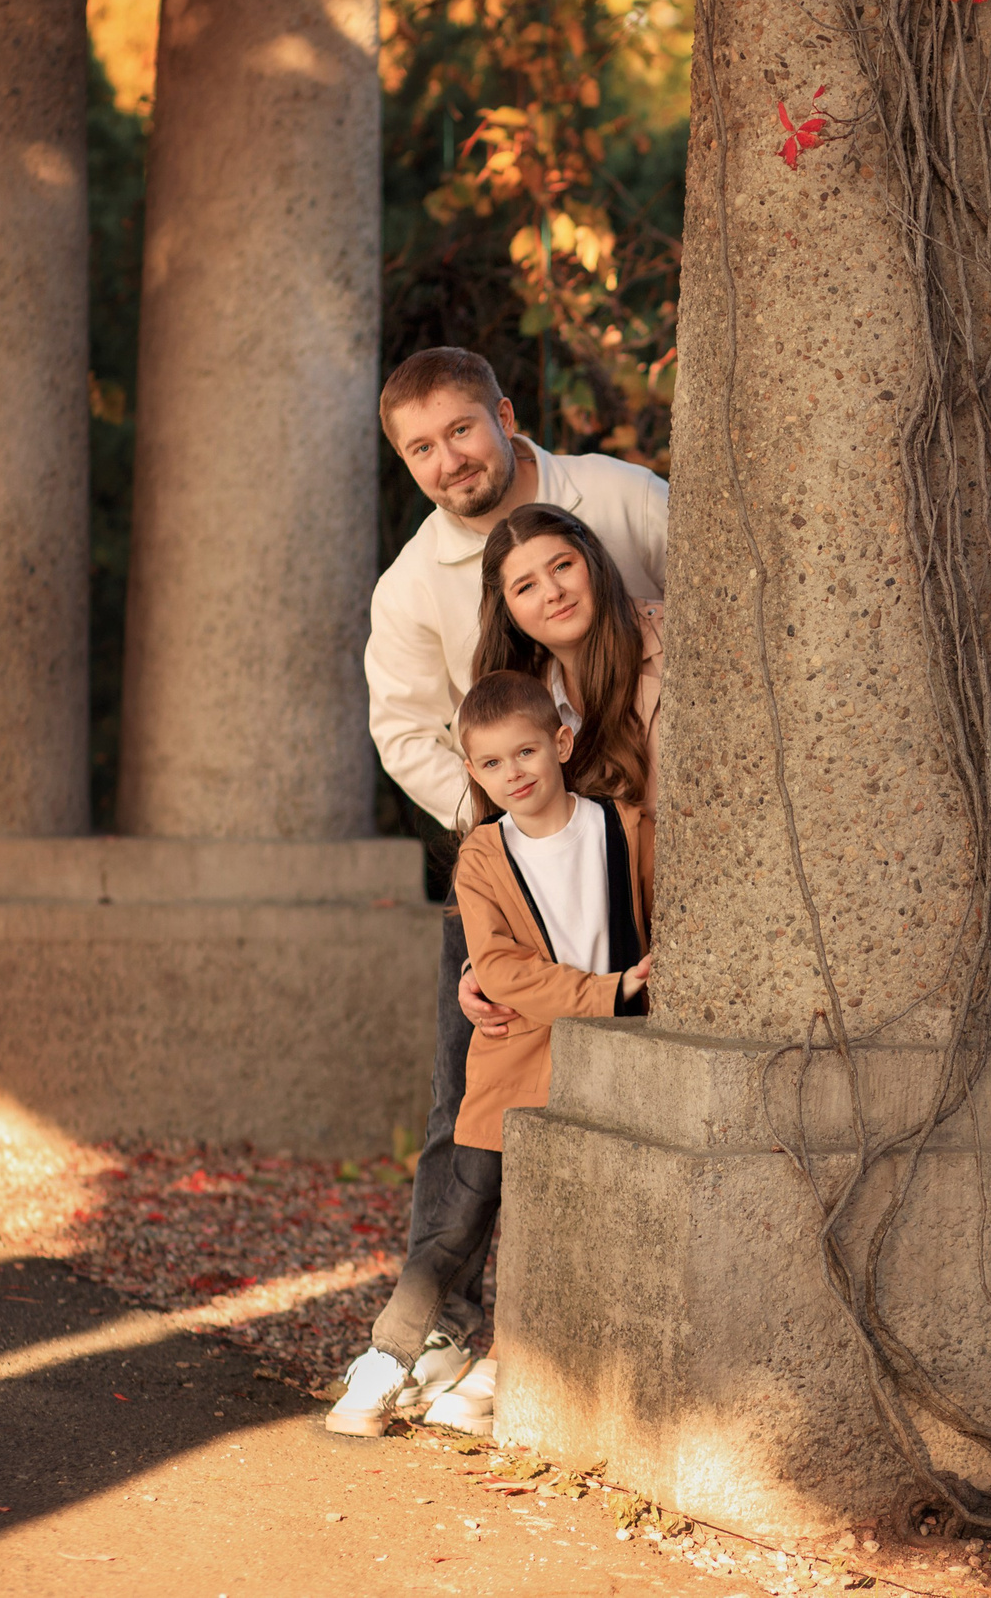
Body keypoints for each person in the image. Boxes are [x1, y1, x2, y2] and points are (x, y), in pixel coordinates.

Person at [328, 347, 665, 1437]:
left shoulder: (611, 498)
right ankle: (433, 1324)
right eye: (419, 449)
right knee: (468, 1094)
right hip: (511, 862)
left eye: (459, 432)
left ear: (504, 417)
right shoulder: (411, 584)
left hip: (636, 853)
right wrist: (503, 832)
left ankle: (543, 1343)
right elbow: (403, 730)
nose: (446, 460)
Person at [330, 671, 655, 1438]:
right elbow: (501, 970)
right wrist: (611, 991)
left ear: (561, 743)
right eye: (493, 763)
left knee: (553, 1230)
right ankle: (386, 1360)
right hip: (510, 1062)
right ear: (471, 773)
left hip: (606, 1072)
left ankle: (495, 1376)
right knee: (457, 1223)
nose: (515, 772)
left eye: (527, 751)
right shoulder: (481, 855)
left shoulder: (626, 827)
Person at [474, 502, 664, 813]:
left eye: (562, 566)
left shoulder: (674, 643)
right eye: (526, 587)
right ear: (507, 613)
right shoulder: (520, 699)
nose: (552, 592)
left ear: (592, 560)